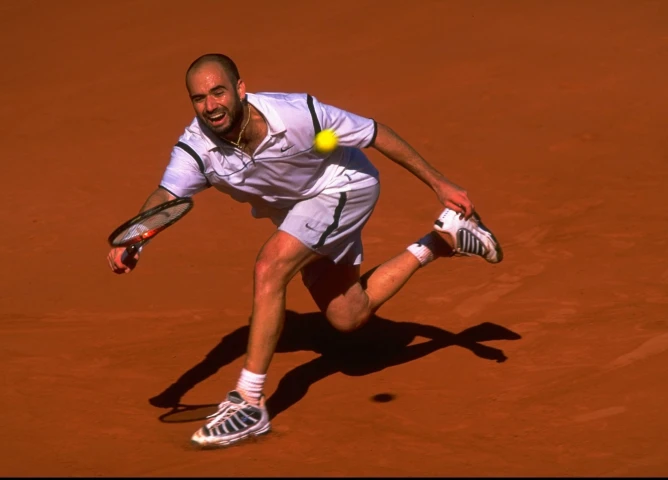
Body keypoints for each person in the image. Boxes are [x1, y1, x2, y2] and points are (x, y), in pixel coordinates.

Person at [107, 53, 503, 448]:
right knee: (348, 315)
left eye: (218, 92)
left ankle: (249, 403)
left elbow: (376, 133)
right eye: (199, 98)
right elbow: (166, 197)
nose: (210, 106)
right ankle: (443, 240)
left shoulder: (297, 114)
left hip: (345, 186)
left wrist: (439, 183)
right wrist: (135, 238)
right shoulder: (196, 149)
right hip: (299, 212)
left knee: (270, 267)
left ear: (240, 89)